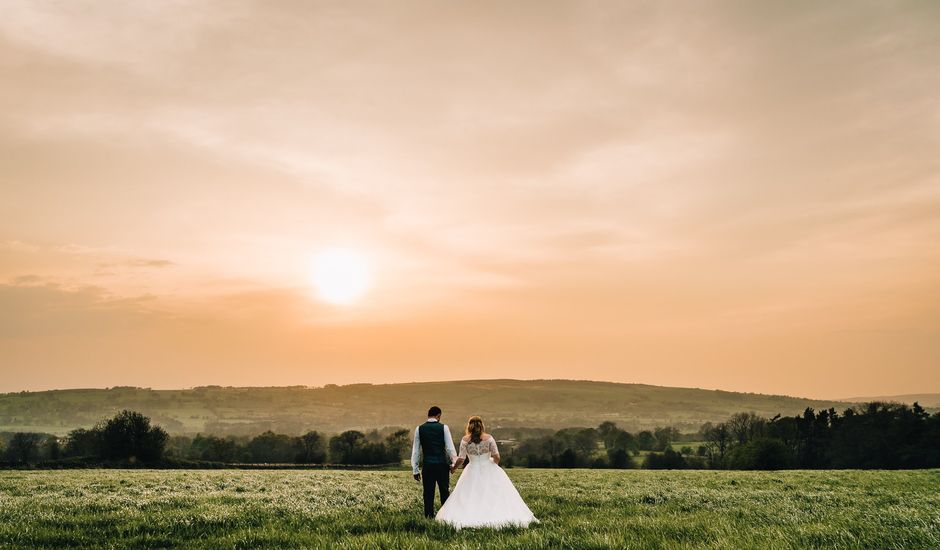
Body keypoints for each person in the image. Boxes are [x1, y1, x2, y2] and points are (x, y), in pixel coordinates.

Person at [435, 416, 537, 529]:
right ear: (482, 425)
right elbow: (497, 456)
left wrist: (454, 468)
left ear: (469, 426)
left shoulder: (465, 440)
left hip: (472, 469)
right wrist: (494, 465)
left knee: (470, 494)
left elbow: (461, 459)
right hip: (488, 466)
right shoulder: (489, 438)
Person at [410, 405, 458, 518]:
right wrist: (453, 464)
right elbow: (450, 448)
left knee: (428, 493)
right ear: (438, 415)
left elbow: (416, 451)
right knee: (444, 492)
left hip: (428, 466)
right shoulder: (444, 428)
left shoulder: (419, 429)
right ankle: (445, 517)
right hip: (442, 465)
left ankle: (428, 517)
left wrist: (415, 469)